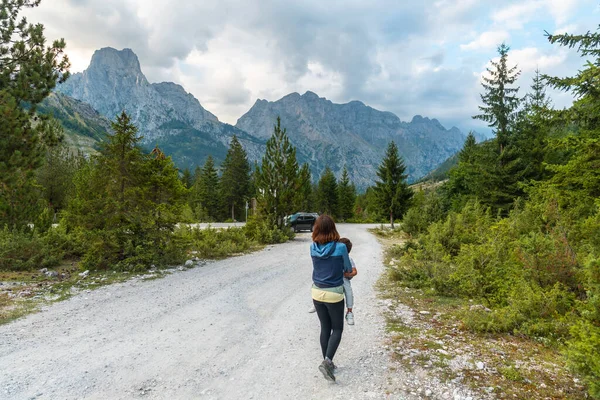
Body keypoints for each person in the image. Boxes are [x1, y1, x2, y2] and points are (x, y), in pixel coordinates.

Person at [310, 215, 353, 382]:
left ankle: (327, 361)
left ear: (317, 229)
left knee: (324, 328)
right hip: (334, 293)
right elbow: (347, 268)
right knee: (337, 329)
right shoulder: (341, 247)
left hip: (316, 292)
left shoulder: (312, 247)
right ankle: (327, 362)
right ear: (333, 228)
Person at [338, 237, 357, 325]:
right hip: (332, 278)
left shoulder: (349, 259)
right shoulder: (334, 257)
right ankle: (316, 304)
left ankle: (349, 312)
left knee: (349, 292)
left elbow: (354, 271)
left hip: (343, 279)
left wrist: (347, 274)